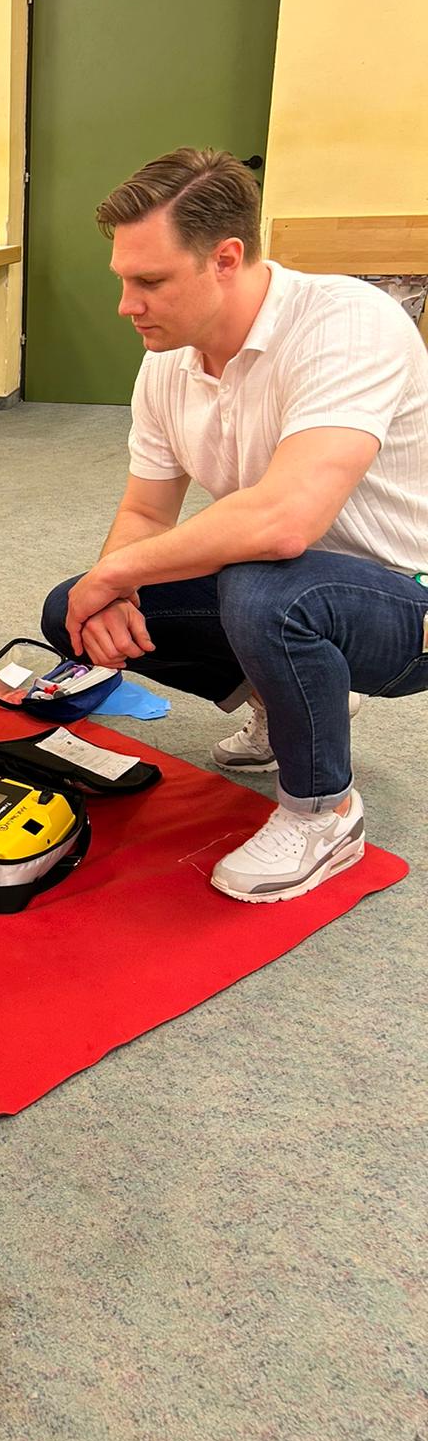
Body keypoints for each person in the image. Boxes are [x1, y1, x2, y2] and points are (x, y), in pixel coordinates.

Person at [40, 147, 428, 904]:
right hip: (293, 582)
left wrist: (123, 572)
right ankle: (283, 702)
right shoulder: (168, 363)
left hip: (408, 605)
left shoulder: (349, 324)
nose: (127, 304)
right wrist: (111, 587)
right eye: (124, 279)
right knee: (74, 609)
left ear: (226, 258)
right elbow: (147, 512)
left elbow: (286, 521)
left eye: (149, 281)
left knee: (266, 591)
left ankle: (325, 812)